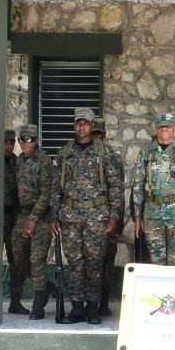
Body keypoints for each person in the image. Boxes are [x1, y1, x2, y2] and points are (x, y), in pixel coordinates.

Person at [51, 108, 122, 325]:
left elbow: (115, 186)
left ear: (92, 125)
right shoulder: (65, 152)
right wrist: (54, 216)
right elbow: (56, 187)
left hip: (96, 216)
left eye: (85, 123)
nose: (81, 127)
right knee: (75, 264)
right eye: (78, 123)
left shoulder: (105, 152)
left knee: (94, 264)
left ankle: (92, 309)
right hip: (70, 217)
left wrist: (114, 215)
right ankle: (77, 309)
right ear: (74, 125)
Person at [132, 112, 175, 266]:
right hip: (152, 214)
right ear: (155, 128)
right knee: (156, 263)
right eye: (161, 126)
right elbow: (138, 185)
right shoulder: (146, 153)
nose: (164, 128)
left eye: (168, 126)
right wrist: (137, 216)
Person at [12, 124, 57, 320]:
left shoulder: (44, 161)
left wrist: (33, 218)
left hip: (41, 217)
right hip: (23, 215)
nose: (25, 143)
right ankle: (46, 286)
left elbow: (47, 193)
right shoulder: (20, 160)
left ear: (36, 140)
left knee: (37, 259)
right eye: (22, 139)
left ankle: (38, 305)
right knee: (18, 256)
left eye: (29, 139)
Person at [91, 118, 124, 317]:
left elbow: (119, 188)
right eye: (93, 133)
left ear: (104, 134)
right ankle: (89, 303)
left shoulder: (112, 155)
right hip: (88, 218)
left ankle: (103, 301)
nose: (96, 137)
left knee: (107, 261)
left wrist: (118, 217)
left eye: (99, 133)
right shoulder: (82, 153)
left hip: (108, 217)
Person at [3, 129, 27, 315]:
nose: (9, 146)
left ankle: (15, 302)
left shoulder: (17, 162)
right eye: (5, 142)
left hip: (14, 217)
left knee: (17, 261)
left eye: (11, 142)